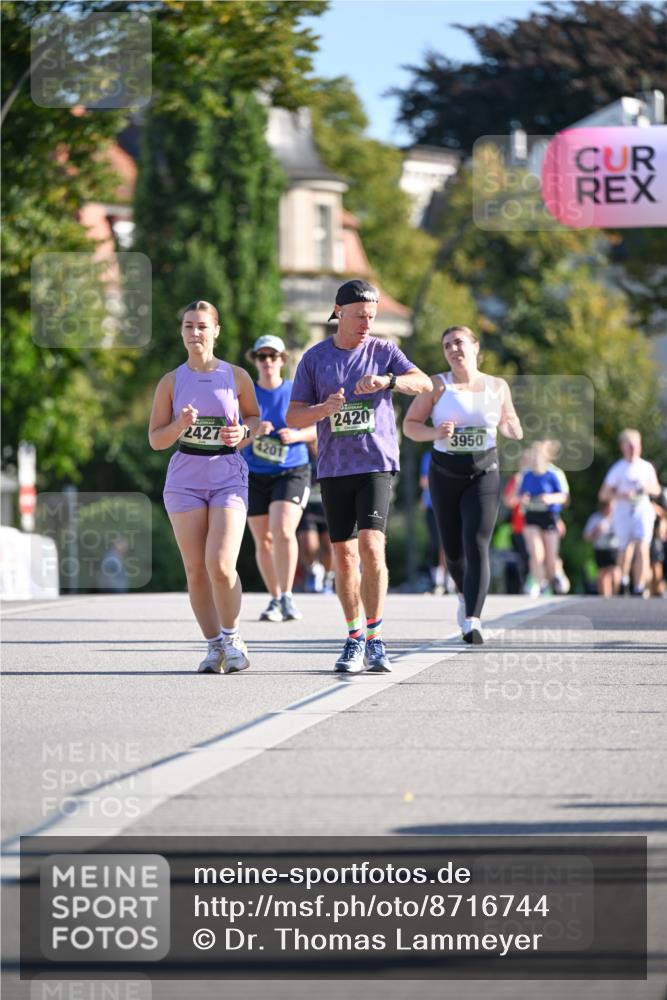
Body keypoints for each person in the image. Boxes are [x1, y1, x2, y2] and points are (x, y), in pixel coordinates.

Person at [286, 278, 432, 673]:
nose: (367, 324)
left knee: (371, 545)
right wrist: (324, 409)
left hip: (376, 464)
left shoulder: (383, 351)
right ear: (339, 312)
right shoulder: (315, 359)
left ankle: (376, 638)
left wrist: (388, 381)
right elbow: (293, 416)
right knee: (345, 557)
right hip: (335, 468)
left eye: (372, 316)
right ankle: (354, 637)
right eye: (360, 316)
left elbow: (424, 383)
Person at [148, 300, 260, 674]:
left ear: (216, 331)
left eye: (201, 326)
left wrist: (242, 433)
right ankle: (214, 647)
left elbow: (254, 420)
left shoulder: (236, 376)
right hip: (185, 481)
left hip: (227, 476)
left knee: (221, 565)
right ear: (182, 332)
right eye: (188, 326)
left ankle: (233, 637)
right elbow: (156, 440)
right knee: (196, 570)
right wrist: (179, 425)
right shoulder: (171, 381)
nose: (194, 333)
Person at [403, 325, 523, 644]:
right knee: (453, 551)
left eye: (459, 342)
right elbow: (410, 426)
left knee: (477, 542)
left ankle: (473, 619)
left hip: (484, 473)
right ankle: (462, 593)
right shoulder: (436, 385)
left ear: (475, 347)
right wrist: (435, 433)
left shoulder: (497, 386)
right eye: (447, 346)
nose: (453, 349)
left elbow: (509, 420)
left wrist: (512, 427)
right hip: (444, 475)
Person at [241, 335, 315, 622]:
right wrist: (253, 432)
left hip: (292, 470)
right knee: (264, 540)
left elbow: (319, 428)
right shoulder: (246, 395)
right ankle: (274, 598)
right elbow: (234, 441)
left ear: (283, 360)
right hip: (254, 474)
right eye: (262, 356)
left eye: (273, 356)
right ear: (255, 360)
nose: (268, 361)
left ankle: (287, 596)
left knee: (283, 530)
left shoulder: (296, 391)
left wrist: (296, 435)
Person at [599, 429, 661, 596]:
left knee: (642, 546)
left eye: (636, 446)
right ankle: (623, 580)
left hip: (642, 511)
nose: (633, 449)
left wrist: (646, 488)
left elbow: (656, 489)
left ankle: (639, 587)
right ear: (623, 447)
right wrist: (621, 494)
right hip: (623, 512)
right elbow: (603, 494)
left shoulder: (646, 467)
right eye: (630, 446)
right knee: (625, 550)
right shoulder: (618, 469)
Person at [509, 441, 569, 597]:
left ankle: (557, 573)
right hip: (531, 516)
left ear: (546, 457)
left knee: (551, 558)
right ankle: (541, 584)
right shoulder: (526, 475)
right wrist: (523, 499)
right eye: (533, 456)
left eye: (538, 456)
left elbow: (564, 497)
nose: (535, 459)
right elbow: (514, 498)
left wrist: (550, 498)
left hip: (549, 517)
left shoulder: (555, 473)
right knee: (536, 554)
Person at [297, 442, 334, 594]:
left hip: (328, 505)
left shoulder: (331, 449)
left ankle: (328, 577)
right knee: (309, 546)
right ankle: (313, 570)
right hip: (307, 505)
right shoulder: (301, 451)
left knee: (330, 547)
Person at [583, 500, 620, 598]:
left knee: (614, 571)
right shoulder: (595, 518)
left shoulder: (618, 518)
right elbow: (586, 536)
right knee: (603, 572)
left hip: (614, 548)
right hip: (600, 549)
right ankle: (604, 597)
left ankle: (616, 595)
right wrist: (596, 531)